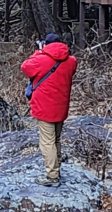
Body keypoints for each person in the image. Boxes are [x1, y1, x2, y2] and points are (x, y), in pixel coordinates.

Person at [21, 33, 79, 187]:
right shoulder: (71, 61)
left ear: (46, 44)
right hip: (61, 107)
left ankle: (52, 176)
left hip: (44, 108)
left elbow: (25, 67)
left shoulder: (40, 59)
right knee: (56, 139)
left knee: (47, 142)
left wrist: (39, 51)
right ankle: (57, 168)